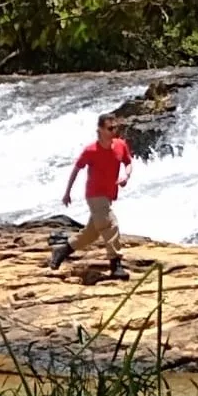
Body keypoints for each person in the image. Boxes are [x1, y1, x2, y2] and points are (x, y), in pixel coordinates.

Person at [50, 113, 133, 280]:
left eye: (116, 127)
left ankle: (63, 249)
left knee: (91, 233)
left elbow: (128, 162)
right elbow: (76, 169)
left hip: (109, 195)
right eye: (110, 128)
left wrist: (126, 176)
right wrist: (67, 193)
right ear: (100, 130)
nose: (114, 131)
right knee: (111, 223)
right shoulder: (91, 150)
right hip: (95, 195)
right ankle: (115, 264)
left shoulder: (120, 145)